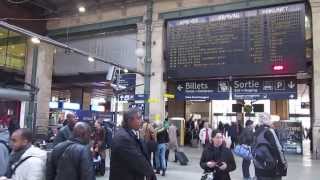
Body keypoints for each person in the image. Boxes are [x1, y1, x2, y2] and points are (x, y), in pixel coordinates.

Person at [109, 109, 156, 180]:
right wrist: (150, 173)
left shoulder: (129, 134)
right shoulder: (123, 138)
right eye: (139, 118)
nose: (141, 121)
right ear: (129, 120)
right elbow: (138, 160)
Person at [253, 113, 287, 180]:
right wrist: (283, 162)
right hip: (271, 168)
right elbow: (278, 148)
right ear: (268, 120)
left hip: (258, 167)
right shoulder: (270, 131)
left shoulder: (256, 132)